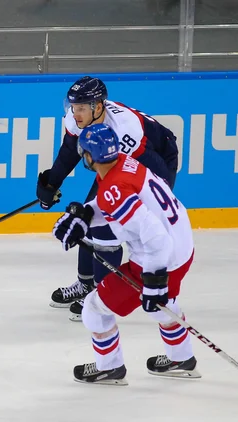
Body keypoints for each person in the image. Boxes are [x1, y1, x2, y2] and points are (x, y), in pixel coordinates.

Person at [52, 123, 198, 385]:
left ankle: (110, 367)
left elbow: (155, 238)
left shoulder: (112, 189)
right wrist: (86, 216)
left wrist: (155, 280)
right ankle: (181, 356)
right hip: (182, 246)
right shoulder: (123, 163)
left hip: (161, 256)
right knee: (162, 304)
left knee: (95, 309)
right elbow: (115, 200)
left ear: (89, 157)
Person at [37, 76, 179, 321]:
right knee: (87, 217)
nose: (76, 112)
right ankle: (85, 284)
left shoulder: (126, 130)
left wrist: (162, 196)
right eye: (73, 106)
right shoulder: (76, 119)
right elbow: (70, 150)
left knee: (106, 228)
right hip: (115, 160)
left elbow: (155, 166)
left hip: (152, 161)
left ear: (98, 106)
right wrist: (52, 182)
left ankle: (101, 298)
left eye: (81, 107)